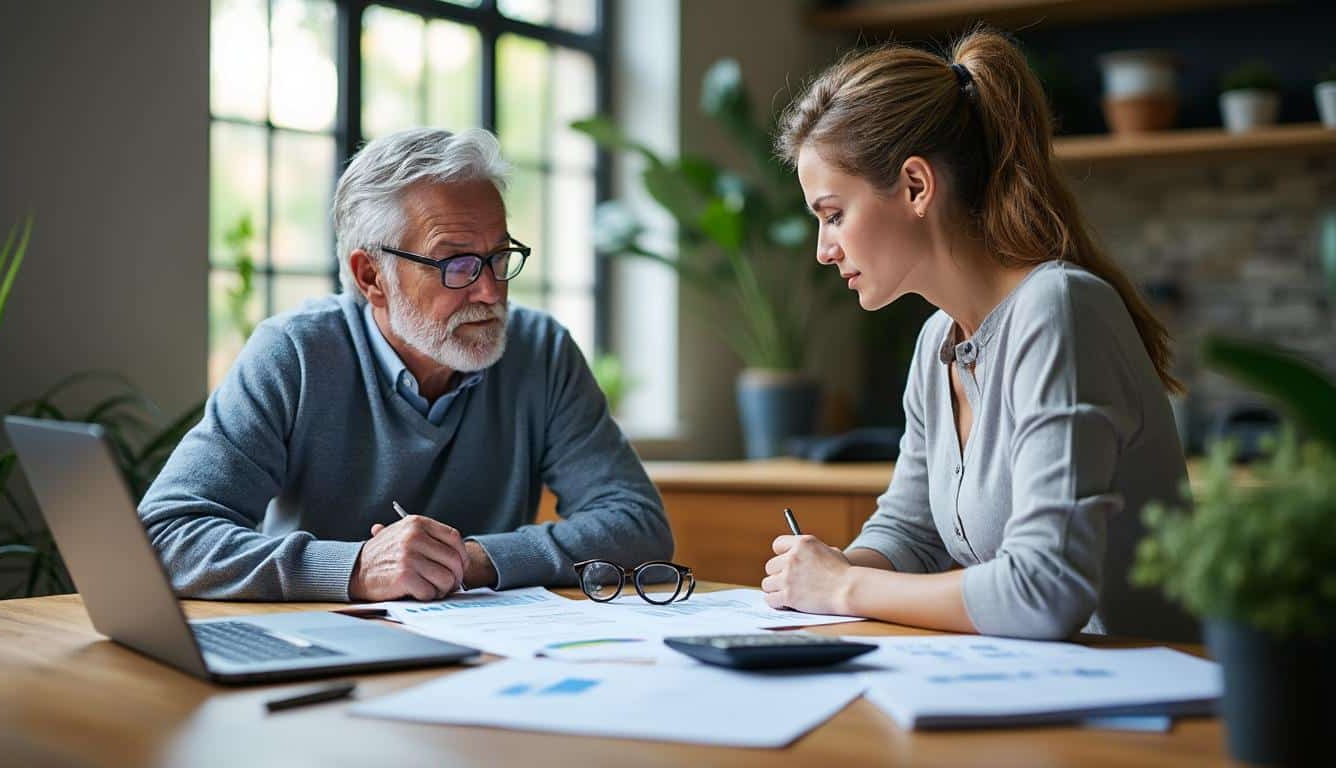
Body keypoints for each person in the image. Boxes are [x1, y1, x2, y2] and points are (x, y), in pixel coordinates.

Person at [761, 30, 1195, 640]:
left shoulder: (1059, 309)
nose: (823, 250)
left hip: (1146, 709)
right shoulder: (936, 343)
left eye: (834, 214)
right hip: (1036, 690)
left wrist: (843, 587)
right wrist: (824, 573)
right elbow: (911, 535)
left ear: (915, 187)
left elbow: (1045, 589)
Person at [139, 128, 672, 602]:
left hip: (496, 658)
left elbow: (638, 525)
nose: (490, 289)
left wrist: (474, 558)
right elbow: (165, 534)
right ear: (371, 276)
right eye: (457, 263)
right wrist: (355, 569)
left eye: (499, 255)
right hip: (323, 658)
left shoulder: (541, 351)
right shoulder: (295, 354)